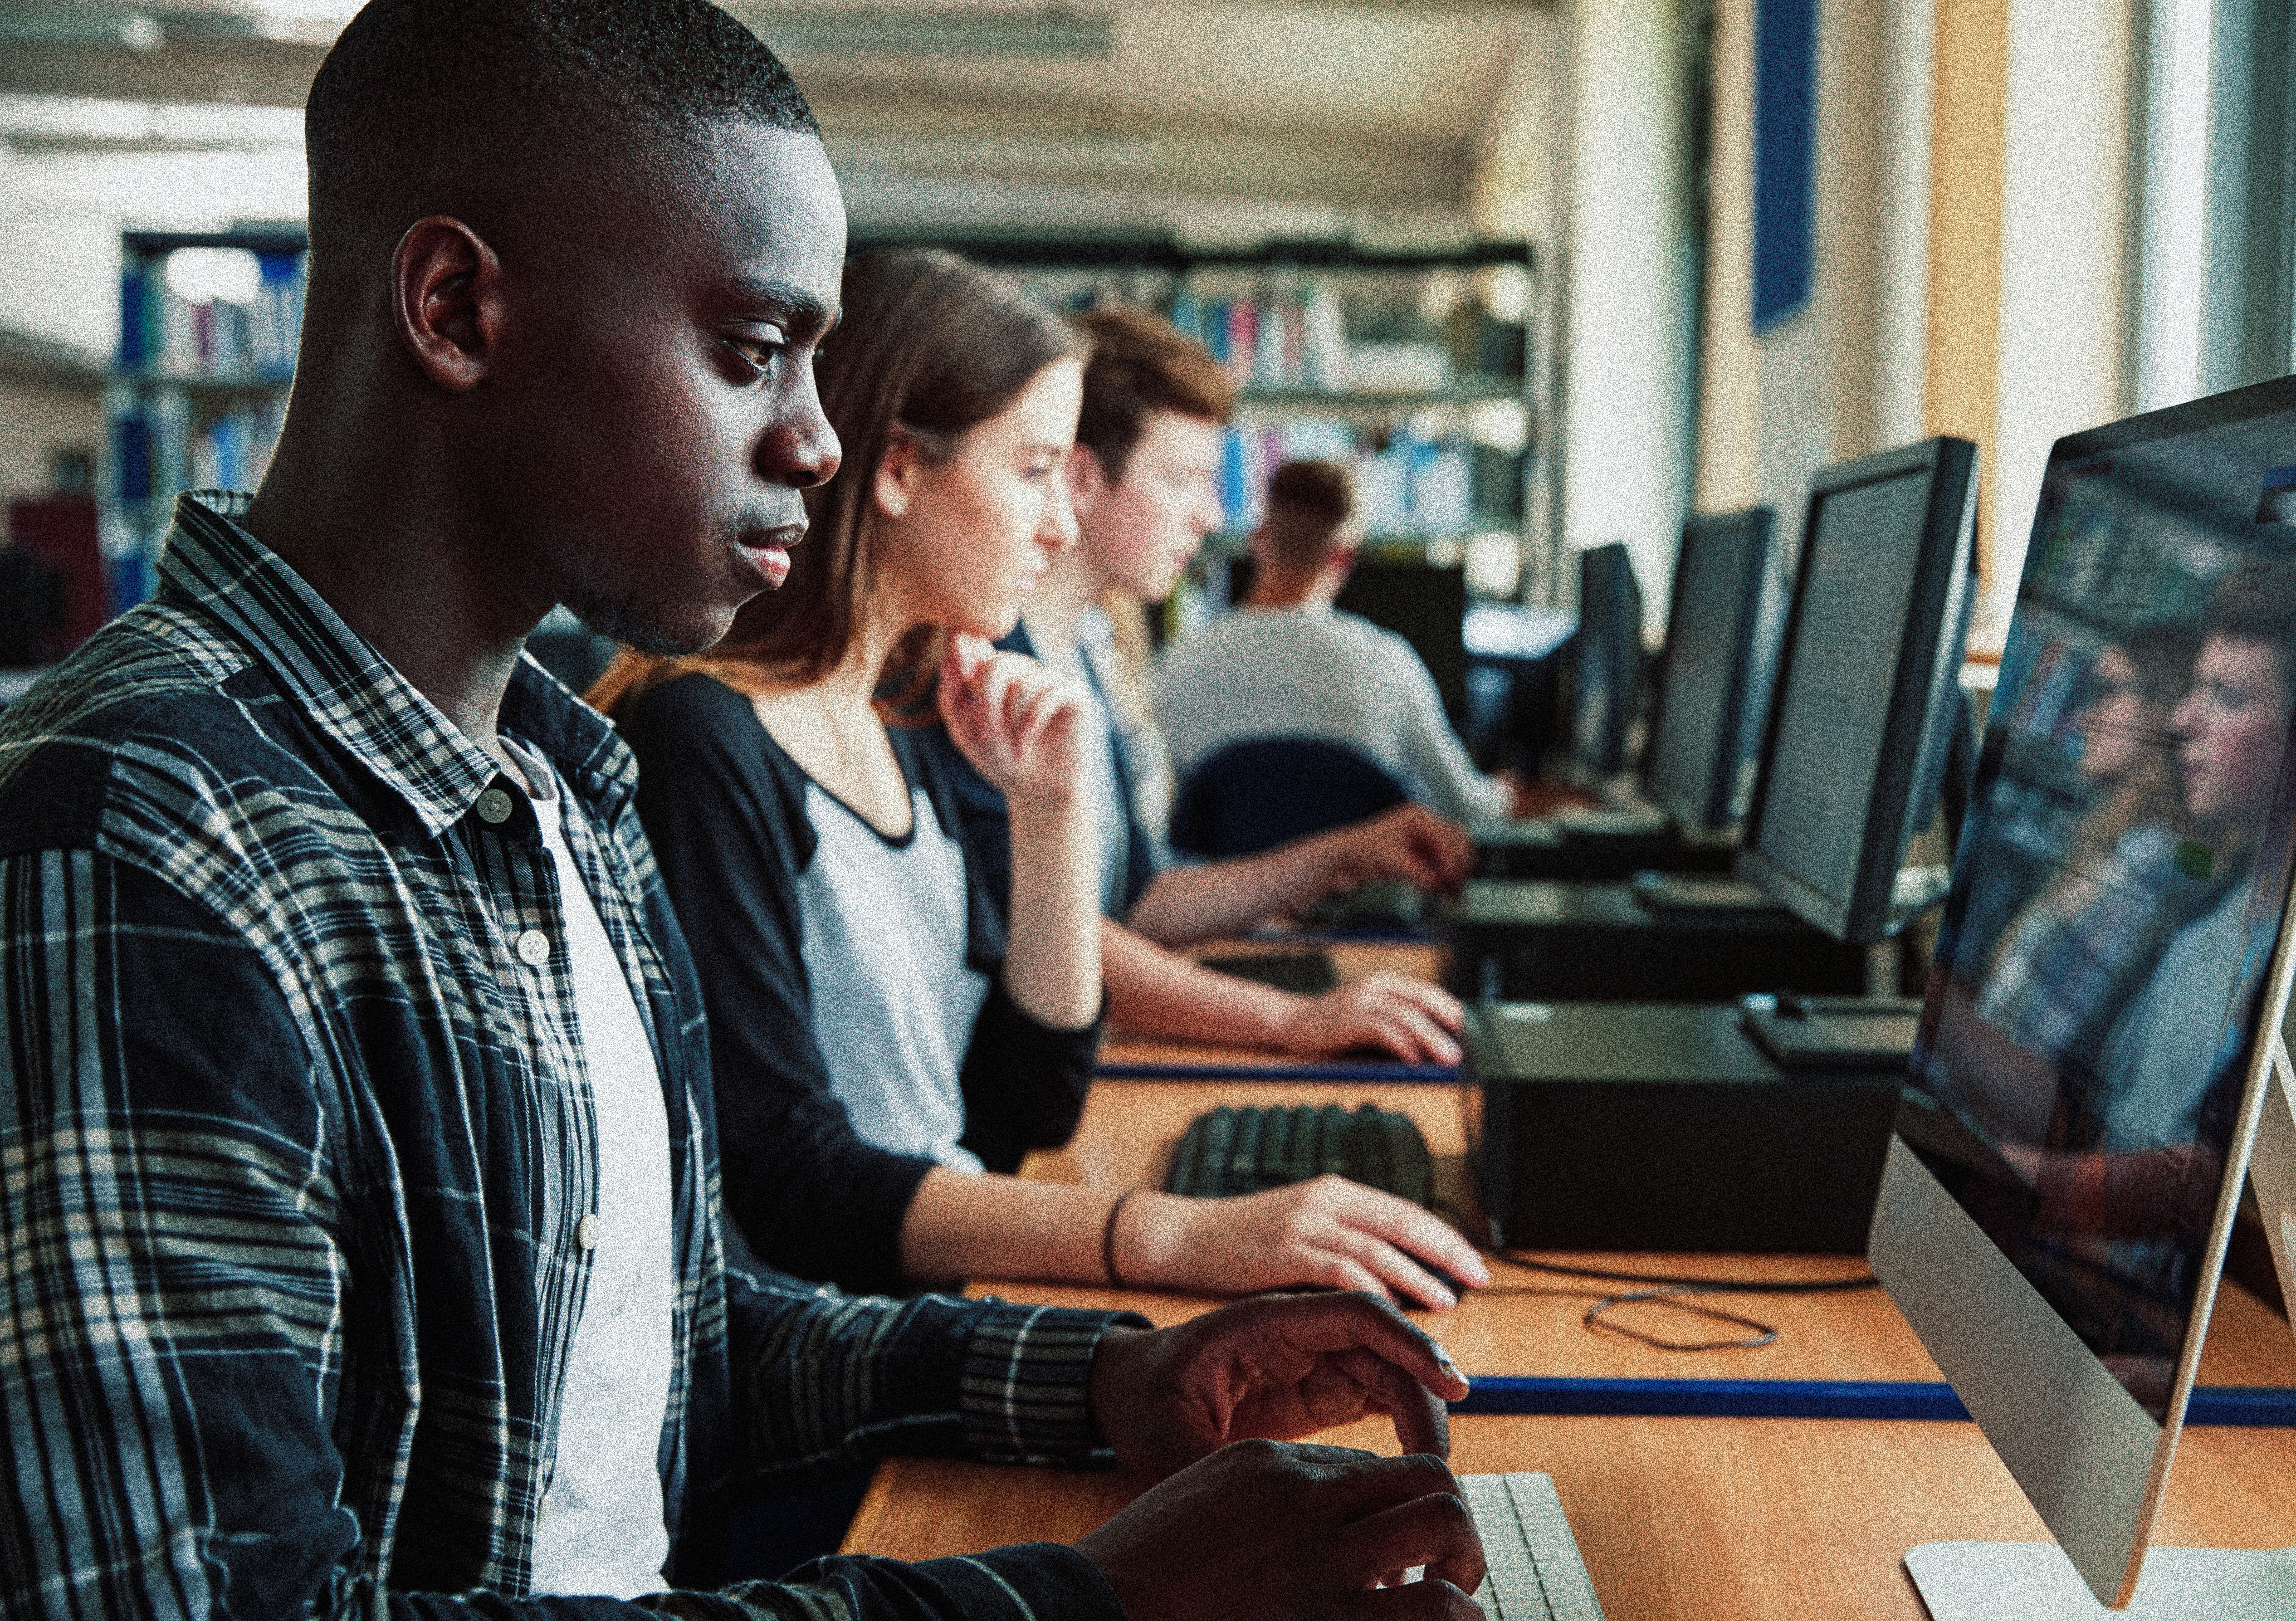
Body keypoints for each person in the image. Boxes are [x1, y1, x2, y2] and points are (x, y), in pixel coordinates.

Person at [0, 7, 1490, 1618]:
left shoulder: (568, 782)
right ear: (454, 308)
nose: (822, 438)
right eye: (749, 349)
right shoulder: (150, 828)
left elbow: (685, 1330)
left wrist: (1105, 1376)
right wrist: (1080, 1601)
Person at [594, 249, 1485, 1309]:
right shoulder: (705, 739)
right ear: (896, 469)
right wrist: (1167, 1232)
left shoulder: (907, 720)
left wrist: (1051, 812)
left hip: (934, 1306)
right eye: (1031, 472)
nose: (1058, 524)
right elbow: (792, 1183)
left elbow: (1031, 1106)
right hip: (826, 1367)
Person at [933, 307, 1481, 1068]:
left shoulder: (1090, 646)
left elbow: (1141, 903)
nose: (1212, 514)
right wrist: (1287, 1018)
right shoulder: (983, 669)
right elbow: (1049, 930)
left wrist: (1340, 851)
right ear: (1083, 478)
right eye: (1184, 478)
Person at [1154, 457, 1516, 825]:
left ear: (1259, 539)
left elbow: (1157, 815)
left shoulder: (1176, 666)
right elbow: (1468, 808)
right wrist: (1511, 792)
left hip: (1219, 883)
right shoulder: (1386, 664)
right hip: (1360, 883)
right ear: (1344, 555)